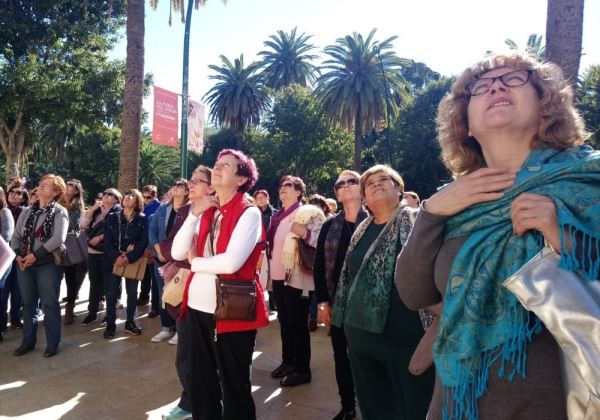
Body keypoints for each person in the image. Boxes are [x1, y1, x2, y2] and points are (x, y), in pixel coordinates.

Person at [396, 52, 600, 420]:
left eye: (515, 78)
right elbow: (413, 294)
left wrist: (561, 234)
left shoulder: (588, 181)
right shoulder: (452, 201)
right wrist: (431, 214)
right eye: (480, 87)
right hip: (457, 404)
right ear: (467, 125)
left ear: (545, 106)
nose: (496, 86)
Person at [332, 165, 434, 419]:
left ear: (399, 189)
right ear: (364, 196)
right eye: (369, 183)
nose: (376, 184)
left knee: (415, 405)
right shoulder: (361, 230)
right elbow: (348, 278)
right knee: (374, 407)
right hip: (360, 336)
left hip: (407, 337)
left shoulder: (418, 220)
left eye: (384, 179)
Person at [172, 149, 269, 420]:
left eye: (226, 165)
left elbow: (230, 263)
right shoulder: (206, 211)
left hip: (232, 312)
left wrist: (197, 263)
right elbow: (178, 252)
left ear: (241, 179)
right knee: (201, 384)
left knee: (234, 386)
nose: (217, 167)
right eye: (217, 164)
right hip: (196, 309)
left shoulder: (248, 212)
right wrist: (194, 214)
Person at [158, 166, 212, 420]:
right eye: (190, 180)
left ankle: (194, 403)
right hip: (187, 287)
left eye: (198, 181)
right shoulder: (186, 211)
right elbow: (173, 248)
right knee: (187, 353)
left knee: (197, 353)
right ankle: (191, 401)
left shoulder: (216, 213)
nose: (191, 185)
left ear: (212, 187)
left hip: (208, 291)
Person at [314, 170, 367, 420]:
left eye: (351, 181)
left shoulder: (375, 220)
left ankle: (370, 404)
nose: (344, 186)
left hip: (369, 305)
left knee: (365, 357)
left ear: (361, 187)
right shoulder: (329, 225)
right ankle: (347, 406)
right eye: (339, 184)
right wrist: (323, 302)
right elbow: (319, 268)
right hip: (338, 301)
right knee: (341, 356)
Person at [267, 176, 324, 387]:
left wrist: (304, 233)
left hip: (297, 278)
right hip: (278, 277)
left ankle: (303, 369)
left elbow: (322, 239)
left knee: (298, 324)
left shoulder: (308, 212)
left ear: (299, 192)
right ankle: (288, 361)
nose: (283, 188)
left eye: (288, 185)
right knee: (285, 322)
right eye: (281, 185)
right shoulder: (277, 215)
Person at [11, 174, 69, 357]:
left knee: (50, 304)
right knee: (28, 304)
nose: (40, 186)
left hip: (47, 265)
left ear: (56, 191)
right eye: (40, 184)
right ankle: (28, 342)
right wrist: (19, 255)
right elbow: (15, 236)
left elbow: (58, 239)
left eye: (45, 185)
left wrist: (34, 256)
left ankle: (52, 343)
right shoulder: (27, 211)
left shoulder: (60, 212)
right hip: (25, 264)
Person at [103, 189, 148, 338]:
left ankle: (130, 322)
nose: (127, 197)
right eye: (127, 195)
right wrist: (116, 256)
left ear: (137, 202)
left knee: (132, 293)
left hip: (132, 260)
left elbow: (143, 241)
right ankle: (110, 325)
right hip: (113, 260)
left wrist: (130, 256)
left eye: (132, 196)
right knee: (111, 293)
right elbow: (107, 240)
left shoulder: (142, 219)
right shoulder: (112, 217)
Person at [148, 178, 189, 343]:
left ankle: (181, 329)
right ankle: (166, 327)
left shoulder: (190, 211)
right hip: (162, 259)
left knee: (180, 295)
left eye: (180, 186)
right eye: (174, 185)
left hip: (180, 261)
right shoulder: (163, 209)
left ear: (187, 191)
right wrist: (159, 251)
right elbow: (152, 231)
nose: (175, 188)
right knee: (164, 294)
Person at [80, 188, 122, 326]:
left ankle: (109, 316)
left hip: (108, 253)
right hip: (93, 252)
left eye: (111, 194)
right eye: (105, 193)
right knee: (94, 283)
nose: (107, 196)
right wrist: (92, 209)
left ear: (117, 199)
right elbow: (83, 225)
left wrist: (99, 237)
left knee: (110, 285)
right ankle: (92, 313)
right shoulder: (96, 211)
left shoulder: (118, 212)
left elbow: (117, 231)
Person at [0, 182, 28, 332]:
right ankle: (2, 323)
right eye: (11, 191)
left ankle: (16, 318)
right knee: (3, 293)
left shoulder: (26, 212)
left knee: (17, 291)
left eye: (18, 192)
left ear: (24, 198)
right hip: (3, 258)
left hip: (18, 256)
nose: (14, 194)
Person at [60, 179, 88, 324]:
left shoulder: (77, 206)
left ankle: (69, 309)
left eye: (72, 186)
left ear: (77, 191)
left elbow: (72, 225)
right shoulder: (55, 200)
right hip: (52, 245)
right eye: (67, 184)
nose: (68, 187)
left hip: (69, 246)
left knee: (70, 279)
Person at [253, 189, 276, 311]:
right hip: (256, 248)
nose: (261, 200)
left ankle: (273, 302)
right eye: (258, 198)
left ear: (268, 198)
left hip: (270, 248)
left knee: (271, 275)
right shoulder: (252, 213)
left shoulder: (275, 214)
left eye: (263, 197)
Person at [139, 184, 160, 309]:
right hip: (141, 246)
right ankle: (144, 296)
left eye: (149, 197)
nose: (146, 199)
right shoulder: (141, 207)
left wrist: (151, 248)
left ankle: (155, 305)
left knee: (155, 277)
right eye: (144, 197)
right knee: (144, 275)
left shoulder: (160, 207)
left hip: (152, 247)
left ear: (154, 196)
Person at [0, 187, 15, 342]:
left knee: (1, 295)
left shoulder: (5, 212)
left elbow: (6, 235)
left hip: (2, 259)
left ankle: (1, 326)